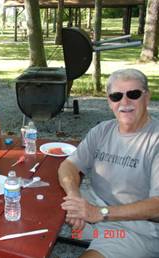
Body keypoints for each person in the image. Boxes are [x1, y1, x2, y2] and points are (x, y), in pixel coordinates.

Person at [58, 68, 159, 258]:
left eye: (133, 94)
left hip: (137, 227)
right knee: (39, 202)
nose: (125, 102)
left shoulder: (155, 140)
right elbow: (68, 166)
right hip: (96, 206)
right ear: (109, 102)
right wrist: (75, 199)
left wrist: (100, 212)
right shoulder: (103, 130)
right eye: (116, 96)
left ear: (147, 97)